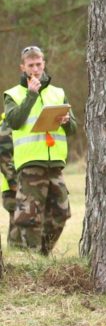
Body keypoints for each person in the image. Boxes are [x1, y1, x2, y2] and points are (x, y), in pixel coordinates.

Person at [3, 45, 75, 254]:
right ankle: (32, 259)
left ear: (44, 64)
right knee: (30, 217)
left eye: (38, 64)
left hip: (55, 164)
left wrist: (67, 121)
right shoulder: (13, 94)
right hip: (30, 164)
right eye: (31, 65)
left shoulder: (58, 92)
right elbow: (14, 121)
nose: (35, 69)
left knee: (61, 213)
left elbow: (73, 129)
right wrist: (31, 95)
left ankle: (43, 254)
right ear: (23, 68)